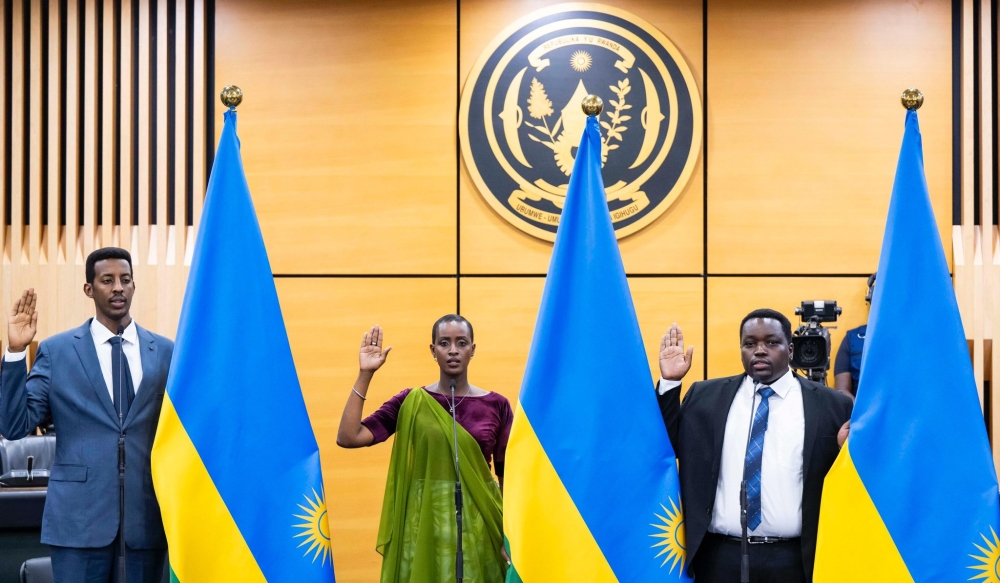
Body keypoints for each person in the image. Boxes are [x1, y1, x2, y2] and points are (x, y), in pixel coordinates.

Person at [0, 247, 173, 582]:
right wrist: (16, 352)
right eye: (107, 280)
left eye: (125, 280)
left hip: (145, 522)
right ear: (89, 289)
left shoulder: (164, 352)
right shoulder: (57, 351)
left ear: (134, 286)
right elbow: (14, 424)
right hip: (78, 522)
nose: (118, 287)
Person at [655, 309, 852, 583]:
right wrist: (670, 382)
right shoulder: (705, 396)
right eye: (750, 344)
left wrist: (847, 453)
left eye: (771, 342)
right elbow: (665, 447)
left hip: (796, 558)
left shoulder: (831, 405)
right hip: (719, 556)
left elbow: (848, 482)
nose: (760, 350)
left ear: (790, 348)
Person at [336, 315, 511, 583]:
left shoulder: (496, 405)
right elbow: (349, 436)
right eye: (444, 343)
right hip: (425, 530)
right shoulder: (411, 402)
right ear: (433, 350)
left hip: (481, 527)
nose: (453, 350)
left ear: (472, 350)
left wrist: (510, 537)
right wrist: (364, 375)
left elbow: (508, 479)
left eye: (461, 343)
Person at [833, 273, 875, 398]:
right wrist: (861, 414)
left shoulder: (910, 337)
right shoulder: (853, 338)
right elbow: (842, 391)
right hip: (862, 415)